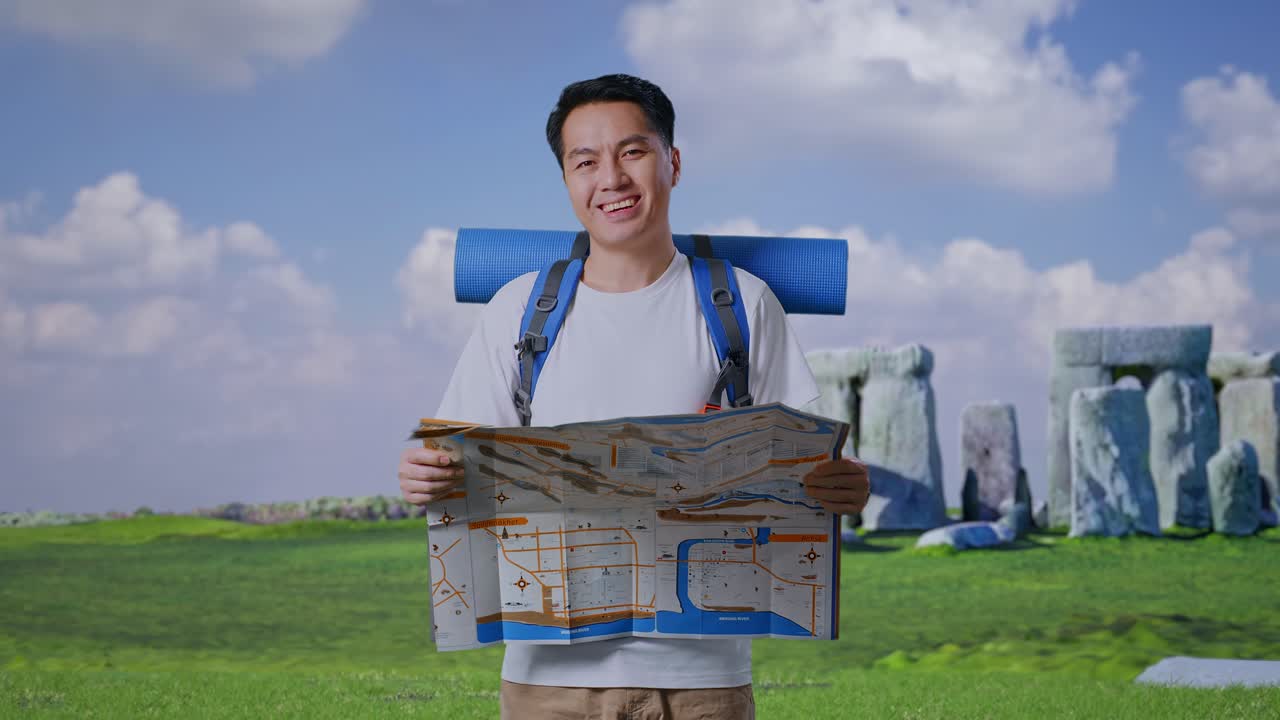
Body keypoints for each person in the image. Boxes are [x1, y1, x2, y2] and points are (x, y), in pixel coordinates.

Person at [398, 73, 870, 719]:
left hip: (704, 680)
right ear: (567, 181)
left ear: (672, 162)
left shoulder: (744, 306)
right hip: (547, 682)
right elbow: (454, 464)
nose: (611, 179)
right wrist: (424, 474)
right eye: (585, 161)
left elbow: (807, 474)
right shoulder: (518, 313)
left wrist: (840, 488)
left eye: (632, 152)